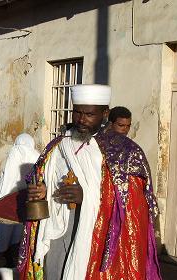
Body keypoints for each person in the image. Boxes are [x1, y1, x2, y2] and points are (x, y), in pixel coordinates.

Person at [18, 84, 161, 279]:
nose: (81, 119)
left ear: (104, 113)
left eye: (89, 114)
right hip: (58, 228)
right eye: (77, 112)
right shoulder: (60, 145)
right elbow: (42, 175)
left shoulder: (125, 152)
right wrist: (42, 190)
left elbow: (134, 206)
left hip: (97, 235)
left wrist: (87, 196)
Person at [0, 133, 40, 267]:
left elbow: (8, 177)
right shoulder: (36, 155)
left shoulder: (15, 152)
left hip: (9, 194)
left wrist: (1, 195)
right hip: (27, 195)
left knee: (5, 225)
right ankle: (18, 253)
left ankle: (1, 248)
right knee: (21, 226)